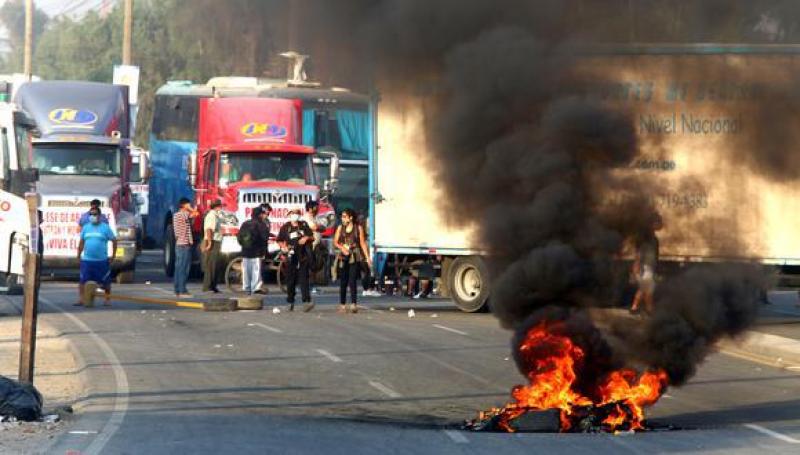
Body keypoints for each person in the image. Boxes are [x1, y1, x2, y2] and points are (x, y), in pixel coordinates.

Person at [76, 207, 117, 307]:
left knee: (106, 281)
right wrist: (78, 255)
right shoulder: (86, 228)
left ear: (99, 216)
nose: (93, 216)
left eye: (95, 214)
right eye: (91, 214)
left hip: (101, 260)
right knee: (83, 281)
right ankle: (81, 299)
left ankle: (107, 299)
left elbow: (114, 241)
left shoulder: (105, 228)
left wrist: (113, 256)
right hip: (87, 260)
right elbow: (81, 242)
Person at [334, 208, 371, 313]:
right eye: (342, 216)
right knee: (343, 281)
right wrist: (342, 248)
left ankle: (354, 304)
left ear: (351, 218)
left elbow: (363, 243)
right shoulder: (340, 228)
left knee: (352, 280)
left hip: (354, 256)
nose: (343, 219)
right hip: (343, 256)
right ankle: (342, 304)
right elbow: (335, 242)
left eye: (345, 217)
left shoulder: (358, 228)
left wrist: (367, 257)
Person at [277, 208, 314, 311]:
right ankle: (290, 301)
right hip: (291, 255)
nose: (295, 215)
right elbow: (279, 240)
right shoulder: (285, 227)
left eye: (297, 213)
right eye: (293, 213)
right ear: (289, 215)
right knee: (290, 279)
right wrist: (283, 246)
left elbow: (312, 236)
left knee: (304, 278)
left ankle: (306, 301)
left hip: (303, 255)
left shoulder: (303, 225)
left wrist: (306, 238)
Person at [630, 215, 662, 315]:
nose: (659, 225)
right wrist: (637, 268)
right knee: (647, 289)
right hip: (645, 268)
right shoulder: (645, 239)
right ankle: (647, 309)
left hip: (650, 267)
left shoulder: (654, 239)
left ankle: (636, 307)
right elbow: (639, 255)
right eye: (656, 222)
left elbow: (655, 255)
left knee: (645, 288)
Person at [238, 206, 270, 294]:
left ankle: (246, 287)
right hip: (257, 251)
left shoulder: (245, 223)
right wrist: (264, 251)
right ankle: (256, 287)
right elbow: (264, 239)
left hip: (245, 251)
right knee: (256, 270)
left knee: (246, 270)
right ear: (260, 214)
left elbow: (239, 237)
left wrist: (244, 245)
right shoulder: (261, 224)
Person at [172, 198, 197, 298]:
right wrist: (191, 208)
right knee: (184, 268)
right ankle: (182, 290)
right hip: (184, 245)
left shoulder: (176, 215)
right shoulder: (181, 214)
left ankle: (177, 289)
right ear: (184, 205)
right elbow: (195, 214)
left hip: (179, 244)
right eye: (188, 204)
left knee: (178, 268)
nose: (189, 206)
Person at [202, 199, 224, 293]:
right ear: (217, 206)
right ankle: (207, 287)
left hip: (216, 241)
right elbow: (209, 230)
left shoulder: (216, 215)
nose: (221, 207)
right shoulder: (211, 215)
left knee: (215, 265)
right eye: (220, 206)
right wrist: (210, 243)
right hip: (212, 241)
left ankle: (213, 286)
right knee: (210, 265)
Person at [303, 200, 323, 294]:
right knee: (311, 265)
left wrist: (319, 227)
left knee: (316, 265)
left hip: (316, 244)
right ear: (310, 208)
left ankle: (313, 286)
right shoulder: (307, 217)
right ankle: (309, 286)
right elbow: (314, 227)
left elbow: (323, 227)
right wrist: (319, 227)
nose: (317, 208)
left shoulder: (315, 217)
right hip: (310, 245)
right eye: (315, 207)